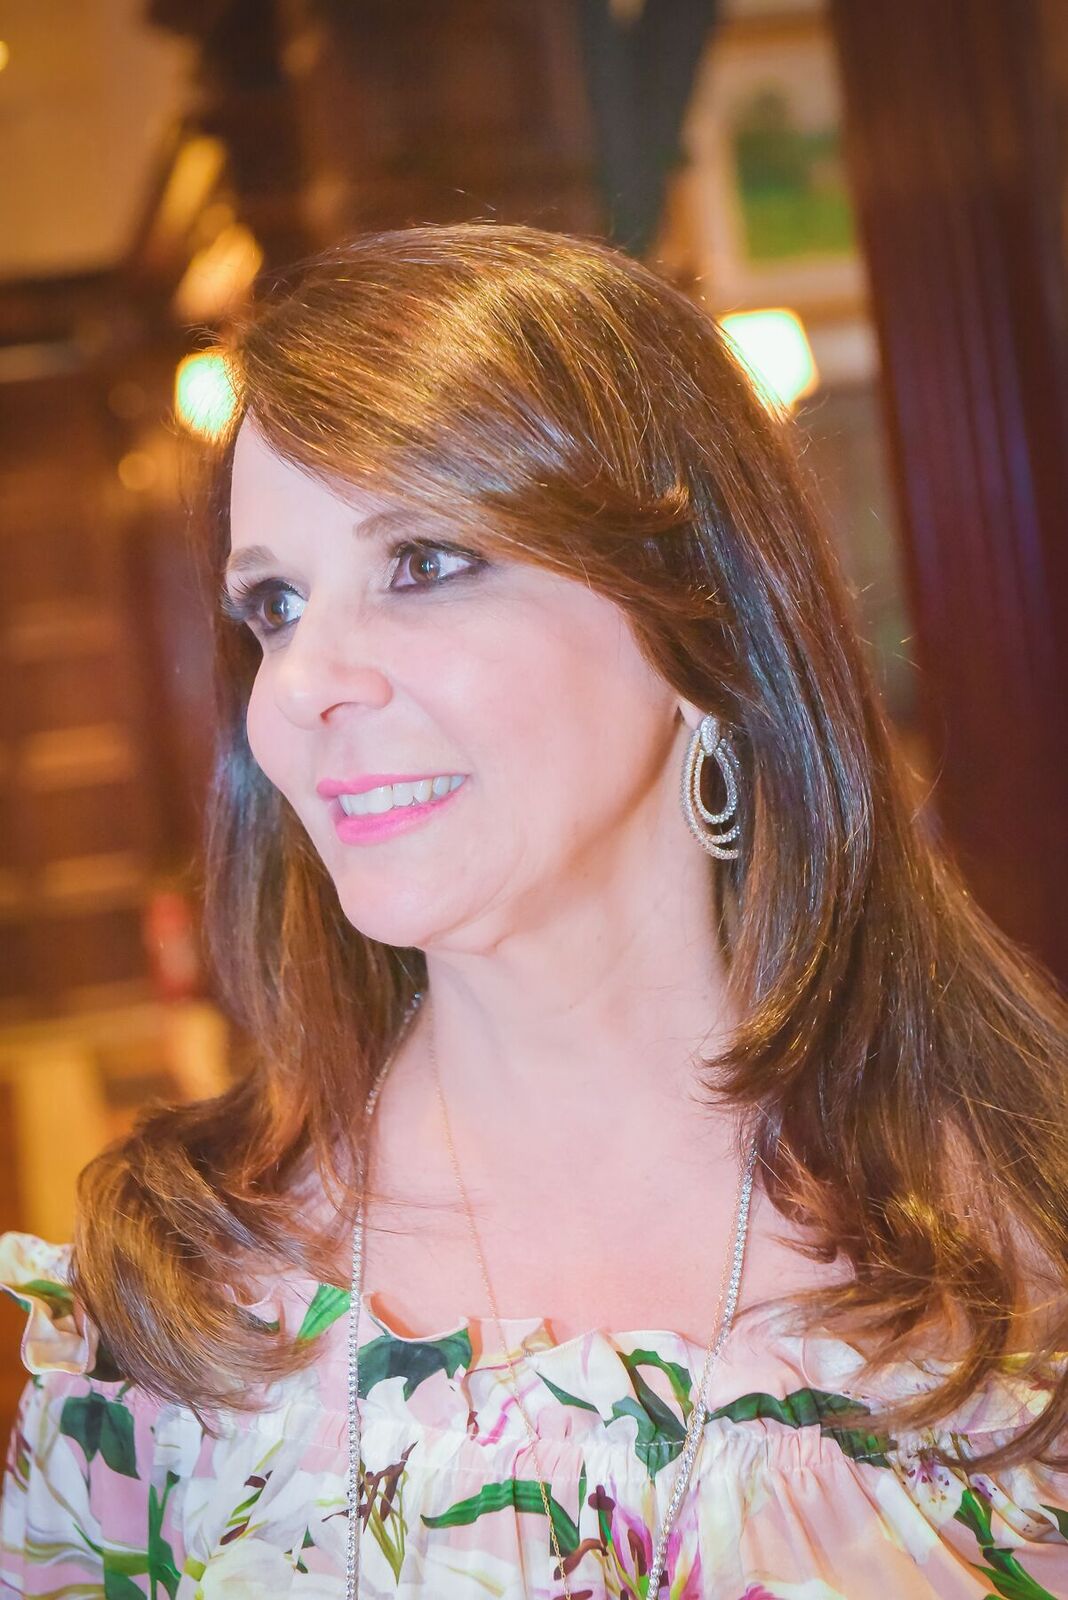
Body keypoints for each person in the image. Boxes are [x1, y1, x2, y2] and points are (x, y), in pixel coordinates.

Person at [2, 222, 1068, 1599]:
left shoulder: (1023, 1255)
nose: (304, 681)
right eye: (274, 603)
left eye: (425, 563)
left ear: (697, 624)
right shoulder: (178, 1317)